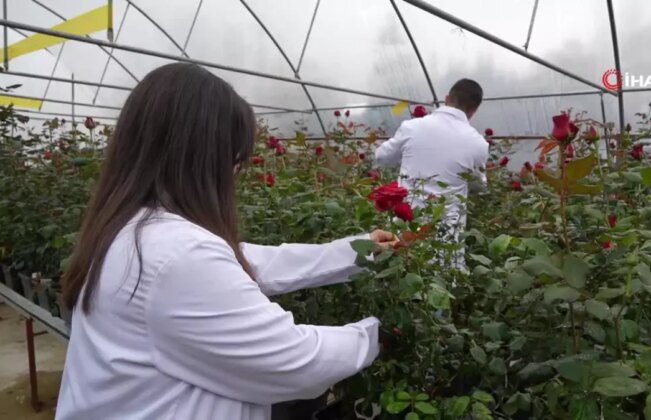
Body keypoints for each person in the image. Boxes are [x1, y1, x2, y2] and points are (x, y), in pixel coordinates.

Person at [56, 63, 396, 420]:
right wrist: (376, 334)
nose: (236, 173)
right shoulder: (178, 255)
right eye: (234, 159)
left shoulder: (131, 229)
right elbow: (296, 362)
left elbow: (253, 262)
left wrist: (361, 250)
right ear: (202, 158)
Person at [374, 79, 488, 268]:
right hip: (446, 234)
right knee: (443, 280)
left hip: (406, 224)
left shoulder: (412, 127)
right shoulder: (478, 144)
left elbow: (381, 158)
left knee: (400, 274)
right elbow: (479, 185)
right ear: (474, 111)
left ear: (446, 99)